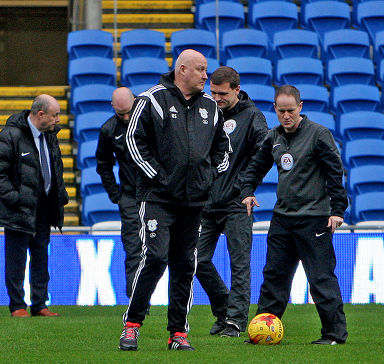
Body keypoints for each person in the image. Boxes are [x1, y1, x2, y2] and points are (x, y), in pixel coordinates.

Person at [119, 49, 232, 351]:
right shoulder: (152, 99)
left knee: (185, 264)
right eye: (200, 70)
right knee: (155, 257)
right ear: (182, 70)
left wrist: (207, 176)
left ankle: (178, 333)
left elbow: (223, 147)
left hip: (194, 201)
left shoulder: (210, 106)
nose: (206, 76)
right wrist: (158, 176)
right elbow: (133, 140)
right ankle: (131, 325)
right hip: (157, 197)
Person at [240, 85, 348, 345]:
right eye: (281, 111)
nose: (286, 116)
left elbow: (335, 173)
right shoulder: (273, 136)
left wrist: (337, 211)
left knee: (321, 278)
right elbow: (256, 166)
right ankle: (261, 332)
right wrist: (247, 190)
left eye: (290, 110)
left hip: (314, 219)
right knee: (274, 277)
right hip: (282, 218)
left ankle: (334, 335)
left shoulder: (319, 135)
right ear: (275, 109)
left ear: (300, 107)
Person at [195, 66, 268, 337]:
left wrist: (245, 184)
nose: (216, 98)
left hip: (237, 202)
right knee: (195, 259)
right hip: (204, 201)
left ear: (237, 89)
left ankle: (236, 322)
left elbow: (266, 151)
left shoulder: (252, 117)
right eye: (212, 92)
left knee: (239, 263)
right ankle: (224, 309)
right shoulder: (205, 112)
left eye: (222, 93)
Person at [0, 94, 68, 318]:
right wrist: (15, 198)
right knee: (16, 260)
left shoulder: (50, 137)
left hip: (43, 208)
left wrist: (59, 195)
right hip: (18, 210)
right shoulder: (11, 135)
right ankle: (17, 306)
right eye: (55, 115)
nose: (58, 120)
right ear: (40, 114)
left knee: (41, 258)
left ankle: (39, 304)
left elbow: (54, 168)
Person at [95, 87, 140, 299]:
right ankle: (137, 303)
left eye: (129, 111)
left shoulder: (150, 119)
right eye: (121, 114)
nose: (126, 117)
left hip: (158, 195)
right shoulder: (109, 130)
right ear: (112, 107)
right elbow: (103, 164)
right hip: (130, 197)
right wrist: (116, 196)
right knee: (133, 250)